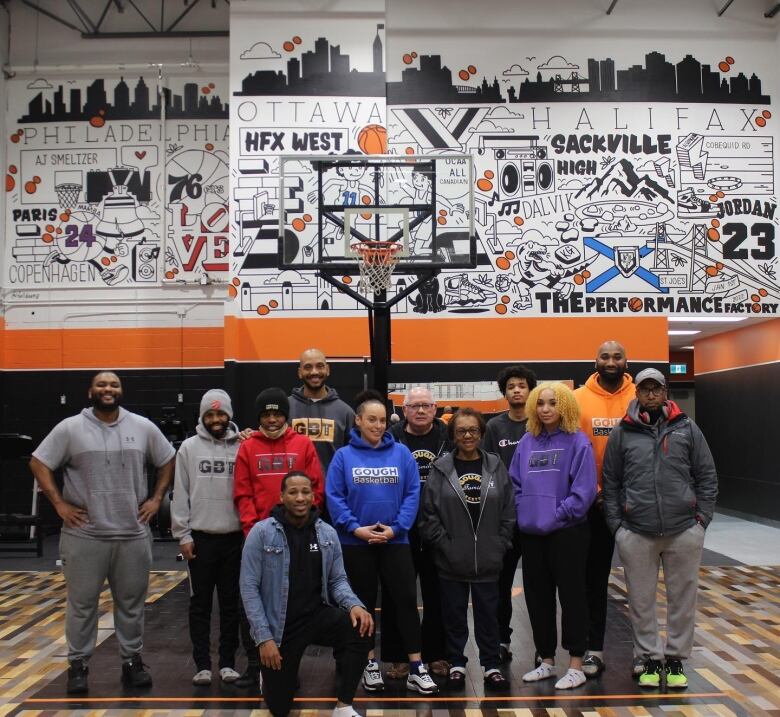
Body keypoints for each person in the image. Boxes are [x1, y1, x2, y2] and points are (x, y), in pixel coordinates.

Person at [29, 371, 175, 694]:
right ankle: (78, 665)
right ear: (91, 391)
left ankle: (131, 663)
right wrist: (59, 504)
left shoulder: (142, 426)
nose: (108, 389)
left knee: (132, 604)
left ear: (121, 391)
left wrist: (156, 499)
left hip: (132, 535)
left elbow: (168, 459)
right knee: (82, 605)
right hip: (85, 535)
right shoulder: (70, 428)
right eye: (102, 385)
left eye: (114, 385)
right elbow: (39, 462)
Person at [602, 368, 718, 690]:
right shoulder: (622, 433)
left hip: (684, 530)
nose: (651, 394)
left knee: (683, 600)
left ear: (665, 392)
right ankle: (650, 659)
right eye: (645, 389)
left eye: (656, 389)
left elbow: (707, 476)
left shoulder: (687, 429)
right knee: (640, 601)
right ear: (636, 394)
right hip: (637, 532)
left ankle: (676, 660)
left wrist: (701, 521)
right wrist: (618, 528)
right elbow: (610, 483)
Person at [326, 390, 438, 695]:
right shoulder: (343, 457)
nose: (376, 425)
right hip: (355, 543)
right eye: (370, 420)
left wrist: (396, 528)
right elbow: (334, 497)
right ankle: (369, 663)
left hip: (395, 541)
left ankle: (416, 667)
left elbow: (413, 493)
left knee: (404, 602)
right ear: (359, 421)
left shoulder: (401, 454)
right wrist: (355, 528)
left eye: (381, 421)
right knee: (360, 606)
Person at [241, 471, 374, 717]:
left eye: (305, 492)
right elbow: (248, 589)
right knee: (280, 708)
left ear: (313, 496)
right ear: (281, 497)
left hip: (314, 616)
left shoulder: (327, 534)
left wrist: (355, 605)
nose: (300, 498)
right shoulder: (261, 533)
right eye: (293, 492)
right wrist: (264, 639)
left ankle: (344, 706)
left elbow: (337, 580)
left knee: (360, 626)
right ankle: (269, 679)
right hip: (278, 628)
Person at [233, 386, 324, 688]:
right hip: (259, 537)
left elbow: (316, 489)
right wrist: (252, 531)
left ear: (285, 414)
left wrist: (303, 524)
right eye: (266, 414)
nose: (272, 419)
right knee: (255, 601)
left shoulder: (302, 444)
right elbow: (242, 493)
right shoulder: (247, 447)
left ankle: (287, 663)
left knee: (288, 603)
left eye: (277, 413)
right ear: (259, 416)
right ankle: (255, 663)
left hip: (295, 536)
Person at [509, 382, 597, 690]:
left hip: (567, 533)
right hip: (532, 534)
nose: (546, 409)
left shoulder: (578, 442)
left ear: (565, 407)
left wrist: (554, 516)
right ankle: (545, 660)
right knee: (537, 598)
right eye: (541, 403)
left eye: (552, 403)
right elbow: (515, 485)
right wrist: (527, 516)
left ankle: (575, 664)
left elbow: (584, 492)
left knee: (572, 597)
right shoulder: (526, 443)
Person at [420, 408, 515, 691]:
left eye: (473, 430)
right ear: (452, 435)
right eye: (461, 431)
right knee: (453, 615)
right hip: (451, 559)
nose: (468, 436)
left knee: (489, 616)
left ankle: (491, 665)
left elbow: (509, 510)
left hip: (488, 558)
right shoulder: (441, 468)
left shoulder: (496, 466)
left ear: (482, 434)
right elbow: (428, 515)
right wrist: (445, 546)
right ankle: (456, 663)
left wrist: (500, 544)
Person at [171, 389, 243, 686]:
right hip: (200, 539)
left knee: (231, 605)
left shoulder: (243, 446)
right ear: (202, 417)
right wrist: (182, 534)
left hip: (235, 539)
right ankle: (202, 664)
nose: (216, 419)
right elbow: (180, 493)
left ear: (229, 415)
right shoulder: (188, 448)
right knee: (200, 605)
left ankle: (227, 663)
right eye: (210, 414)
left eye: (220, 414)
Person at [573, 340, 635, 677]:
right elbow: (572, 450)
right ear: (594, 360)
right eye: (605, 356)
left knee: (640, 584)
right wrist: (593, 493)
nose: (611, 362)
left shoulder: (640, 397)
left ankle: (646, 654)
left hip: (633, 507)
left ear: (626, 361)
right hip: (591, 505)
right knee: (592, 582)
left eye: (617, 356)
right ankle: (592, 650)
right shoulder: (579, 399)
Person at [382, 387, 451, 679]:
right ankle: (399, 656)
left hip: (439, 525)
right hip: (400, 526)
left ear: (435, 409)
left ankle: (436, 653)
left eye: (426, 405)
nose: (421, 410)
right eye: (415, 406)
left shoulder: (449, 438)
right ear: (404, 409)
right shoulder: (390, 438)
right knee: (398, 594)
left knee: (439, 594)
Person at [482, 365, 537, 663]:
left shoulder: (540, 424)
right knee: (500, 584)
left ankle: (544, 648)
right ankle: (501, 639)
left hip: (538, 518)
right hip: (504, 520)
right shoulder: (494, 428)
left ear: (530, 390)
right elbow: (487, 469)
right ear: (504, 393)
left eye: (522, 385)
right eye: (511, 386)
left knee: (539, 584)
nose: (516, 390)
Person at [289, 348, 355, 475]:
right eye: (308, 367)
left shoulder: (345, 412)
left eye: (320, 366)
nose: (314, 372)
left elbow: (354, 457)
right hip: (294, 491)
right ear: (300, 372)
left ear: (327, 370)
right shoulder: (286, 408)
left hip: (331, 491)